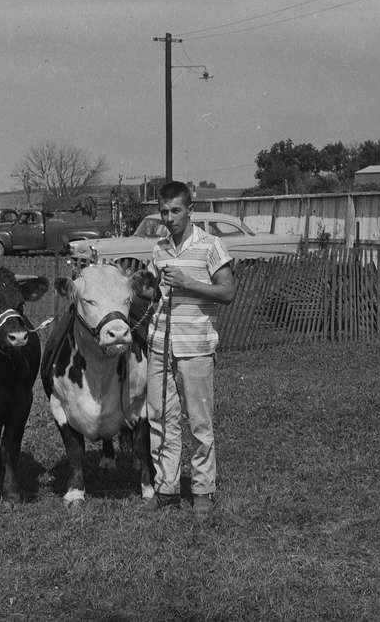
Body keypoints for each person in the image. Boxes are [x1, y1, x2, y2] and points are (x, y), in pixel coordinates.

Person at [142, 181, 236, 521]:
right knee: (160, 419)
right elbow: (153, 292)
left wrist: (188, 283)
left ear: (190, 210)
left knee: (199, 421)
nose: (169, 218)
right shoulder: (159, 248)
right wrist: (142, 286)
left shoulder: (211, 245)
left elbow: (227, 293)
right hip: (159, 345)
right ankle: (166, 487)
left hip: (195, 347)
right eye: (164, 212)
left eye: (175, 211)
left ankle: (202, 490)